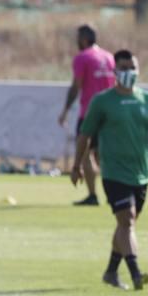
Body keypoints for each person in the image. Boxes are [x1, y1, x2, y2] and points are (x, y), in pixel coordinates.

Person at [72, 50, 148, 291]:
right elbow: (85, 135)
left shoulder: (147, 100)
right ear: (115, 71)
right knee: (127, 221)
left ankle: (111, 272)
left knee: (126, 224)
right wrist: (76, 165)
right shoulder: (102, 101)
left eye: (132, 68)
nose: (129, 73)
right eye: (124, 68)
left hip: (141, 173)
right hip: (114, 172)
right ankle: (136, 274)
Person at [58, 24, 115, 207]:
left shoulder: (82, 58)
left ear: (83, 39)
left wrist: (66, 110)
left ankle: (92, 195)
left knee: (85, 154)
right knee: (103, 156)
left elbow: (76, 86)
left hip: (89, 113)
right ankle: (113, 193)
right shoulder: (109, 57)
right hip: (109, 113)